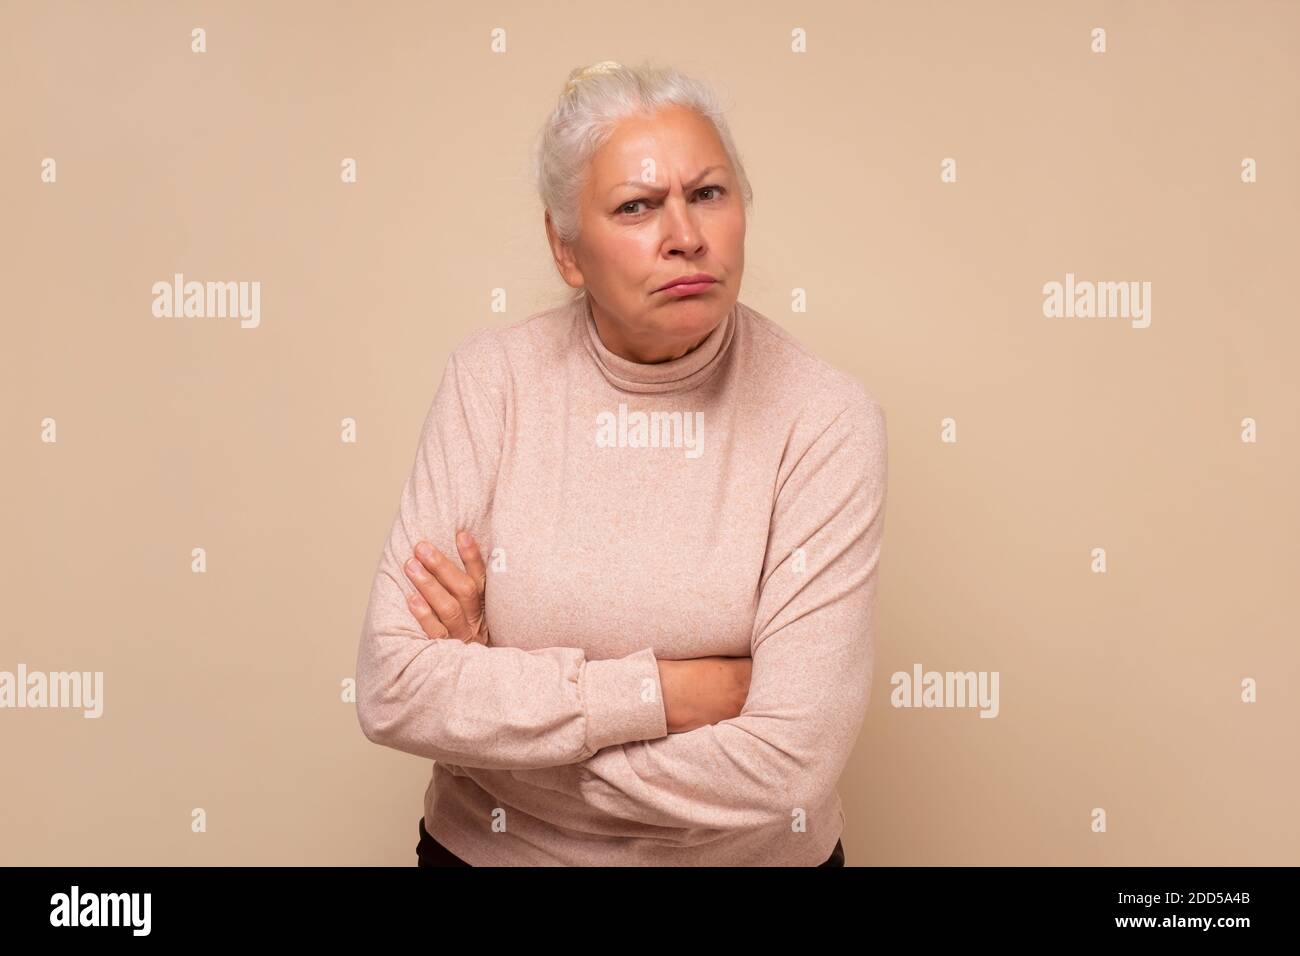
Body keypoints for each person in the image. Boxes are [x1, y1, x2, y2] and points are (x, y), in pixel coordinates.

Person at [355, 59, 887, 867]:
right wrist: (669, 693)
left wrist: (497, 739)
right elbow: (393, 687)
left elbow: (790, 766)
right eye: (637, 207)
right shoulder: (491, 381)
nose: (685, 236)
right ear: (566, 248)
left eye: (707, 193)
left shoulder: (823, 418)